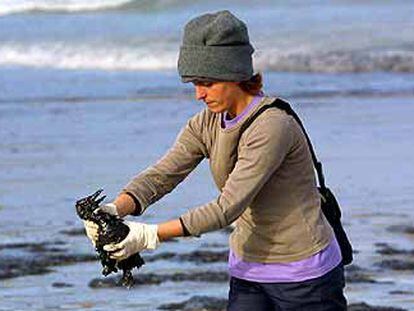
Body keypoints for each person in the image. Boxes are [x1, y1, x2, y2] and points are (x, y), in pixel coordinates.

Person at [84, 10, 347, 310]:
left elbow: (227, 207)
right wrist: (114, 209)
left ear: (233, 74)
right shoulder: (206, 123)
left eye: (206, 82)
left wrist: (149, 235)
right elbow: (163, 174)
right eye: (194, 83)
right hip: (248, 268)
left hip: (304, 273)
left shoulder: (272, 126)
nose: (198, 94)